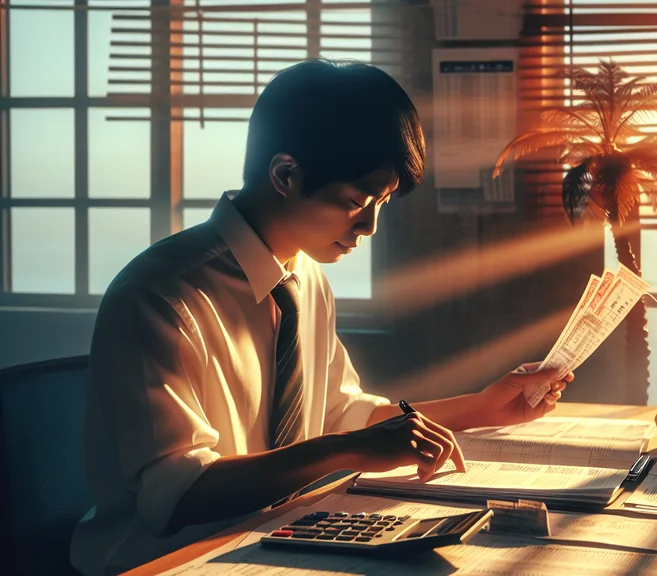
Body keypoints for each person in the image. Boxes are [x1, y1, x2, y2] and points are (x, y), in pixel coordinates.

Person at [69, 59, 572, 576]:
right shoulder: (159, 296)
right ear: (285, 175)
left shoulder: (304, 278)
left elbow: (344, 416)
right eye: (355, 201)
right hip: (168, 561)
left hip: (276, 542)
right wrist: (347, 450)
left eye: (382, 202)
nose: (369, 226)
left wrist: (484, 406)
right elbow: (177, 496)